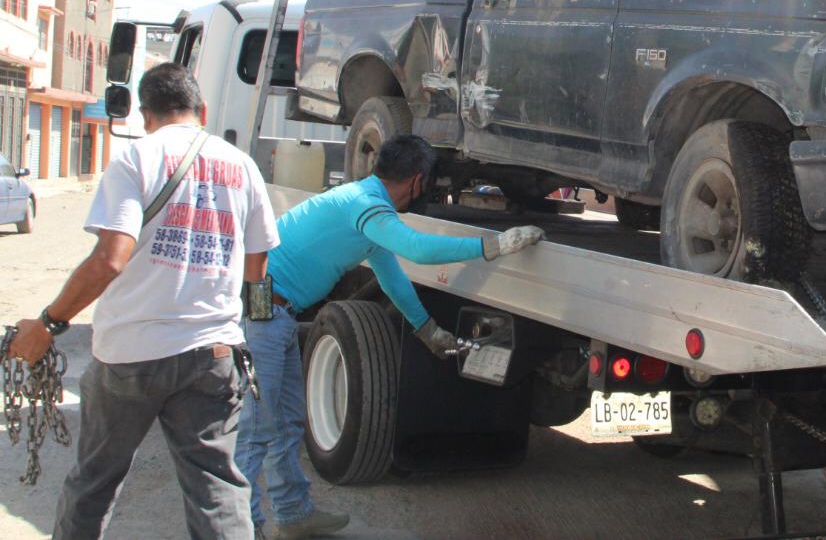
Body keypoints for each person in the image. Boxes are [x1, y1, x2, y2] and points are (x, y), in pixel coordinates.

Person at [6, 63, 279, 540]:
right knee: (217, 488)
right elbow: (257, 270)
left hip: (131, 354)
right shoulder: (243, 167)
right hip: (213, 353)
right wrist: (252, 328)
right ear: (203, 110)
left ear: (144, 113)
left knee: (94, 482)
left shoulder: (137, 159)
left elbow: (111, 260)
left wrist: (49, 323)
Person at [236, 134, 543, 540]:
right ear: (417, 180)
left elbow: (392, 275)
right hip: (264, 310)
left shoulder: (365, 204)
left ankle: (292, 514)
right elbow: (417, 249)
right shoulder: (367, 205)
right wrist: (493, 245)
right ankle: (242, 528)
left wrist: (427, 330)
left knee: (288, 420)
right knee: (258, 426)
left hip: (276, 313)